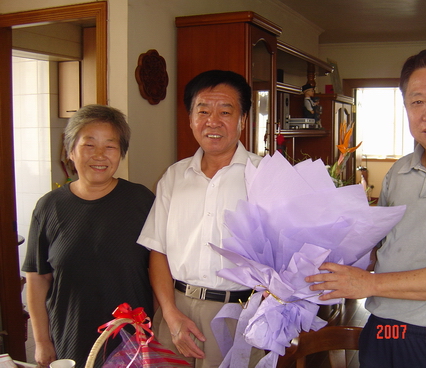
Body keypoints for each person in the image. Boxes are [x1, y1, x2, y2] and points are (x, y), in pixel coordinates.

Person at [306, 47, 426, 368]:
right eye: (417, 101)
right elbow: (380, 248)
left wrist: (366, 284)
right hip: (382, 327)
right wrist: (314, 262)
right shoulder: (400, 171)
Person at [137, 70, 263, 368]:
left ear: (242, 120)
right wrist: (169, 313)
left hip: (238, 313)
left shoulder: (265, 175)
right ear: (191, 118)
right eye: (203, 111)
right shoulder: (174, 176)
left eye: (225, 111)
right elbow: (159, 251)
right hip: (176, 310)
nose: (212, 121)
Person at [22, 105, 155, 368]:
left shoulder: (142, 201)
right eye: (89, 145)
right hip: (69, 335)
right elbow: (37, 279)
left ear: (121, 154)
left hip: (131, 338)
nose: (99, 155)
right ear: (71, 151)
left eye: (110, 146)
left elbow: (160, 268)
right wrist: (41, 341)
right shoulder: (49, 207)